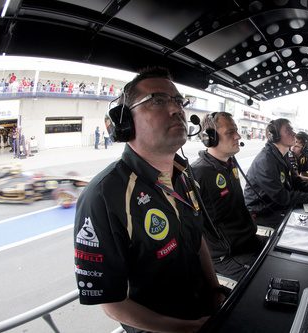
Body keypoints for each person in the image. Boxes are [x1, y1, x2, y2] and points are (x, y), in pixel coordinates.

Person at [74, 67, 225, 333]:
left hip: (206, 313)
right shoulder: (103, 195)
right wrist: (189, 328)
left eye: (179, 101)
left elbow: (197, 238)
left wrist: (215, 293)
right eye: (158, 100)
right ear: (125, 122)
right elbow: (113, 304)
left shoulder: (183, 175)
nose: (176, 109)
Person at [191, 112, 266, 281]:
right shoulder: (197, 173)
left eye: (237, 130)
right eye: (230, 132)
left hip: (248, 241)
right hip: (226, 256)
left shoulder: (229, 163)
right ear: (209, 138)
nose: (238, 136)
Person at [244, 119, 308, 227]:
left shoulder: (282, 155)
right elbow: (281, 196)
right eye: (288, 130)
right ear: (275, 136)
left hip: (276, 206)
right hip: (263, 213)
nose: (294, 133)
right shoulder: (266, 160)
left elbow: (295, 180)